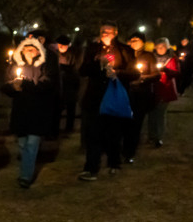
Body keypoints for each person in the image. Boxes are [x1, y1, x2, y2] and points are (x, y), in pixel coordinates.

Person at [77, 23, 139, 181]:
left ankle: (114, 162)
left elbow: (134, 73)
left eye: (108, 31)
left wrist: (117, 73)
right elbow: (83, 70)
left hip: (114, 97)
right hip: (95, 98)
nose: (105, 33)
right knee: (93, 134)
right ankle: (91, 168)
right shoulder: (92, 49)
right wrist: (98, 64)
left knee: (114, 133)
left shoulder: (125, 50)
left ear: (116, 33)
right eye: (102, 31)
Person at [0, 37, 55, 188]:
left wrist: (25, 84)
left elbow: (47, 86)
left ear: (38, 51)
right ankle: (26, 169)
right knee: (23, 144)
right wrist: (14, 87)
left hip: (37, 112)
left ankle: (25, 176)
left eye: (32, 49)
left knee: (32, 144)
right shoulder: (15, 66)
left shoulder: (44, 67)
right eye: (25, 49)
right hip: (21, 111)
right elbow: (5, 86)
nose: (28, 52)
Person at [122, 32, 160, 163]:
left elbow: (156, 75)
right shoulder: (126, 55)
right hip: (126, 93)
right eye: (131, 40)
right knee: (124, 123)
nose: (133, 42)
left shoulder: (148, 56)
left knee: (135, 124)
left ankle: (130, 152)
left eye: (136, 40)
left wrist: (143, 78)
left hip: (141, 95)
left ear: (143, 42)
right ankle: (122, 148)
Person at [147, 37, 179, 147]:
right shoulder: (151, 57)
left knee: (160, 113)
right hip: (152, 88)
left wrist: (165, 70)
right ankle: (151, 135)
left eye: (163, 47)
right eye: (158, 47)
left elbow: (176, 72)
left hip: (165, 88)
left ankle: (159, 137)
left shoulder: (172, 58)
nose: (161, 49)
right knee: (151, 113)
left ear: (167, 47)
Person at [56, 35, 81, 133]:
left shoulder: (72, 55)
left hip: (70, 85)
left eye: (63, 45)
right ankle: (55, 129)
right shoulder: (55, 54)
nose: (61, 47)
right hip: (58, 85)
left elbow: (75, 70)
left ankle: (69, 128)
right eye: (60, 45)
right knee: (57, 107)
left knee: (71, 107)